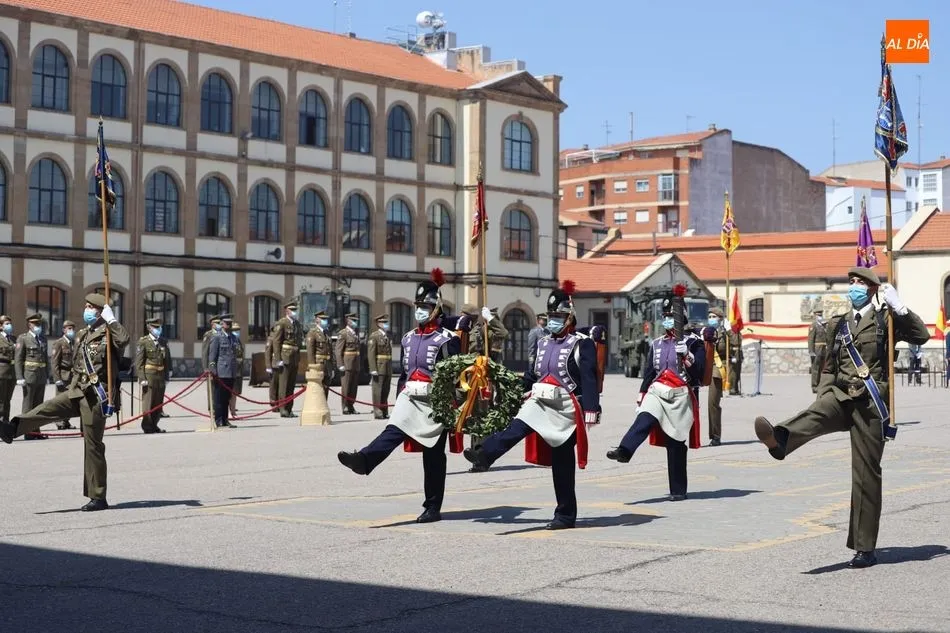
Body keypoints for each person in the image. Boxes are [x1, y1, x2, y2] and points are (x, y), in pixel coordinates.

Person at [753, 267, 930, 568]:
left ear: (872, 289)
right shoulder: (839, 324)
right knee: (817, 412)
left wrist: (900, 309)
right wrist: (824, 394)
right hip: (841, 395)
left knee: (865, 474)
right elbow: (829, 366)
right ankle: (780, 439)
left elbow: (921, 336)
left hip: (870, 404)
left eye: (860, 282)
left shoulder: (885, 320)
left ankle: (864, 548)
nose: (854, 286)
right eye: (852, 282)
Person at [463, 282, 600, 530]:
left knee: (562, 463)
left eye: (558, 316)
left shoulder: (582, 343)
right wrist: (512, 387)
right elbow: (532, 374)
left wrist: (592, 408)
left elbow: (589, 377)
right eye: (551, 316)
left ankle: (565, 515)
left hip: (566, 408)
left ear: (569, 316)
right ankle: (484, 455)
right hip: (539, 400)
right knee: (517, 426)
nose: (553, 321)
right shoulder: (543, 342)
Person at [337, 270, 463, 523]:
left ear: (436, 308)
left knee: (433, 455)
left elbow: (456, 374)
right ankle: (364, 460)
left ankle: (432, 507)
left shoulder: (447, 339)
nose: (420, 311)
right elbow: (405, 373)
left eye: (426, 306)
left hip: (435, 400)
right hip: (410, 395)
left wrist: (454, 405)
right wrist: (399, 397)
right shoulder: (407, 338)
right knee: (393, 429)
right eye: (418, 306)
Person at [1, 293, 130, 511]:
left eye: (91, 307)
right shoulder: (82, 333)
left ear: (101, 312)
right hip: (76, 390)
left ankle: (98, 496)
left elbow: (124, 340)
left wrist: (112, 320)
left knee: (93, 445)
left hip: (96, 396)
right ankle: (12, 429)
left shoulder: (109, 333)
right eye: (86, 306)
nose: (87, 310)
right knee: (47, 408)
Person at [606, 296, 706, 501]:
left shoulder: (694, 342)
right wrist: (642, 396)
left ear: (682, 317)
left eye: (672, 316)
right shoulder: (657, 343)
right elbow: (650, 372)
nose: (668, 320)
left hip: (681, 394)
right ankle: (624, 450)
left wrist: (687, 355)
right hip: (658, 391)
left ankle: (678, 490)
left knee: (675, 442)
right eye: (666, 316)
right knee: (644, 418)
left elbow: (700, 373)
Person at [707, 306, 738, 446]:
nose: (711, 319)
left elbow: (736, 342)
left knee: (712, 403)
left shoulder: (725, 332)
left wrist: (729, 330)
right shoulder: (706, 331)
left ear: (720, 319)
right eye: (709, 317)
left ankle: (715, 435)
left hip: (718, 369)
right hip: (704, 369)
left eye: (714, 317)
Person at [14, 313, 49, 440]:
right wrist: (19, 376)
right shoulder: (23, 338)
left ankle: (36, 431)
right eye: (35, 324)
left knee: (39, 405)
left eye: (39, 324)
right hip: (29, 375)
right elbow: (18, 359)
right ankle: (27, 432)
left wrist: (47, 374)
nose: (38, 326)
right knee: (28, 405)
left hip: (41, 376)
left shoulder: (43, 339)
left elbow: (46, 359)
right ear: (29, 325)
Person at [268, 300, 303, 418]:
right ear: (286, 311)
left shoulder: (297, 324)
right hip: (285, 356)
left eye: (295, 310)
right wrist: (278, 359)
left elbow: (298, 340)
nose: (294, 312)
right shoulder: (282, 323)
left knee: (291, 385)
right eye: (292, 310)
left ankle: (289, 408)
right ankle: (283, 408)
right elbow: (276, 342)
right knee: (283, 384)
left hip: (294, 357)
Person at [134, 317, 169, 434]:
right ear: (149, 328)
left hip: (160, 375)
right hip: (149, 375)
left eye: (159, 327)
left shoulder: (163, 341)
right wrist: (142, 378)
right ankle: (147, 425)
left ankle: (155, 424)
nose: (159, 329)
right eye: (156, 327)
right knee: (148, 402)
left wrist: (167, 375)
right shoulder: (143, 342)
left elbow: (166, 359)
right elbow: (139, 362)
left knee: (158, 402)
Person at [207, 315, 239, 429]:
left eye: (230, 324)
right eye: (226, 324)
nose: (228, 326)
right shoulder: (217, 337)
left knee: (227, 397)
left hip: (230, 371)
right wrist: (213, 371)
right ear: (222, 324)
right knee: (219, 398)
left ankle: (225, 420)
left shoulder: (233, 337)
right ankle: (219, 419)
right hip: (221, 372)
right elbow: (212, 356)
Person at [50, 320, 77, 430]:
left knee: (70, 400)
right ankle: (59, 422)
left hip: (72, 375)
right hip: (63, 375)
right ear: (64, 330)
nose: (71, 331)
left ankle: (66, 421)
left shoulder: (74, 343)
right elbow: (54, 362)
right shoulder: (59, 343)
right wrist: (57, 379)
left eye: (72, 329)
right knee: (61, 400)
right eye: (69, 329)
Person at [335, 313, 361, 415]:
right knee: (346, 386)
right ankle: (345, 406)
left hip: (355, 363)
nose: (355, 322)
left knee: (354, 387)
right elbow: (338, 350)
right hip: (347, 363)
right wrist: (340, 364)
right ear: (348, 321)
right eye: (353, 320)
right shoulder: (343, 333)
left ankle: (351, 405)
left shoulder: (355, 333)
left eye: (355, 320)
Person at [367, 314, 393, 419]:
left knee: (386, 390)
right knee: (377, 390)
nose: (386, 324)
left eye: (386, 322)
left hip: (387, 367)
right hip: (379, 366)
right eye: (384, 322)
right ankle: (378, 412)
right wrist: (373, 369)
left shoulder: (387, 336)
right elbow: (371, 353)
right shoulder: (374, 336)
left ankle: (384, 411)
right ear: (378, 324)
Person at [305, 310, 333, 398]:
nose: (325, 321)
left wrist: (332, 367)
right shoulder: (312, 333)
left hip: (327, 364)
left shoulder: (327, 332)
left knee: (326, 388)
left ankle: (324, 405)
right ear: (317, 320)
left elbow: (330, 351)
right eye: (323, 319)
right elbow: (310, 352)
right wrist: (312, 367)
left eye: (326, 319)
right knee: (318, 389)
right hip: (318, 364)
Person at [808, 308, 828, 394]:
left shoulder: (825, 325)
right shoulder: (813, 325)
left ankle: (820, 385)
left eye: (821, 314)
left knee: (822, 368)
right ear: (815, 315)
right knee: (815, 369)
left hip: (824, 348)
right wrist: (811, 351)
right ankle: (815, 386)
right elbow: (810, 339)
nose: (820, 316)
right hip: (816, 348)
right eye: (818, 314)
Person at [0, 315, 15, 425]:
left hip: (11, 373)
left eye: (10, 323)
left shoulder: (13, 338)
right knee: (1, 399)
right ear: (1, 326)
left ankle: (6, 421)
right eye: (7, 324)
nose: (9, 326)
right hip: (1, 372)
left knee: (7, 399)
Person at [229, 322, 245, 417]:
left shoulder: (238, 341)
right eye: (235, 330)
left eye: (238, 330)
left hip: (238, 369)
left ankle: (233, 410)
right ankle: (229, 411)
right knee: (230, 392)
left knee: (235, 392)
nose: (237, 332)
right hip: (232, 369)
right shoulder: (230, 340)